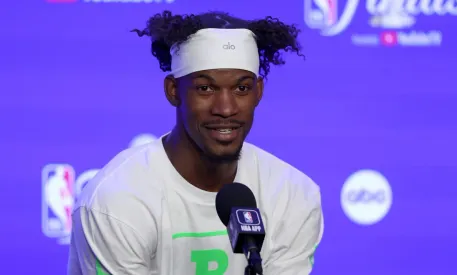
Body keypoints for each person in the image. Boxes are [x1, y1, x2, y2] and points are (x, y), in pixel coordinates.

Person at [67, 10, 324, 275]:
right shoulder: (119, 200)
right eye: (205, 88)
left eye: (242, 88)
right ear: (173, 91)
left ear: (258, 92)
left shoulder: (292, 194)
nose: (225, 108)